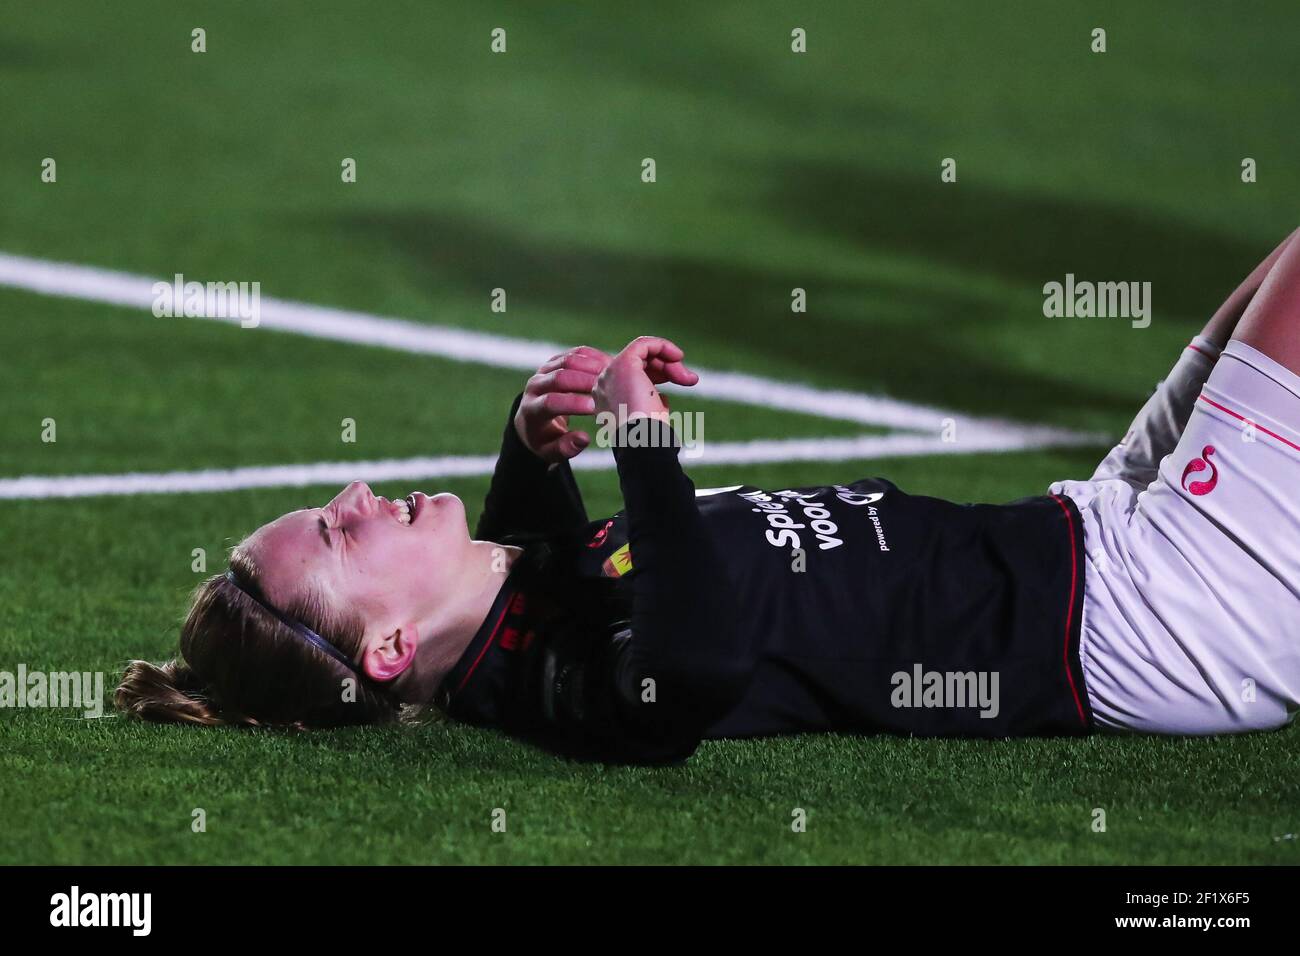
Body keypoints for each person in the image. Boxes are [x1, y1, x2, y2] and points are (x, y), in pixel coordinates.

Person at [117, 229, 1300, 761]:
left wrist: (532, 453)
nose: (359, 490)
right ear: (383, 652)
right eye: (336, 530)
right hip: (1154, 609)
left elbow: (558, 579)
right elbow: (689, 659)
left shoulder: (520, 632)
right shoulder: (564, 690)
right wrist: (640, 439)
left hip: (1090, 525)